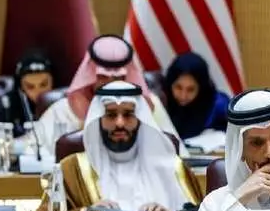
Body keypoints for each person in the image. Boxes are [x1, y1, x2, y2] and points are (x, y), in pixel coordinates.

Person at [36, 81, 202, 211]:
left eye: (128, 114)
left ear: (140, 119)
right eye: (111, 115)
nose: (120, 123)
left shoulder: (173, 167)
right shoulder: (71, 168)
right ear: (98, 119)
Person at [25, 34, 187, 156]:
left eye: (118, 78)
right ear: (90, 76)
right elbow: (30, 156)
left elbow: (178, 156)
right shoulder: (62, 111)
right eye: (103, 77)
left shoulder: (150, 106)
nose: (111, 84)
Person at [163, 52, 229, 140]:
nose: (183, 96)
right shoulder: (161, 102)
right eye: (178, 87)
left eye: (190, 89)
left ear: (201, 88)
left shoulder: (219, 105)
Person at [0, 50, 55, 136]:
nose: (38, 91)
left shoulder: (62, 103)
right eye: (30, 87)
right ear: (21, 87)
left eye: (44, 85)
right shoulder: (6, 107)